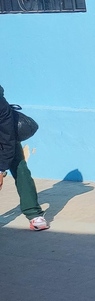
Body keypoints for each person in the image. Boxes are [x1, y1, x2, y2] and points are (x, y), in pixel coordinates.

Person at [0, 84, 49, 230]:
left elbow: (7, 139)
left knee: (20, 168)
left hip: (4, 136)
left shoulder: (1, 108)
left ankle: (34, 213)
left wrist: (1, 169)